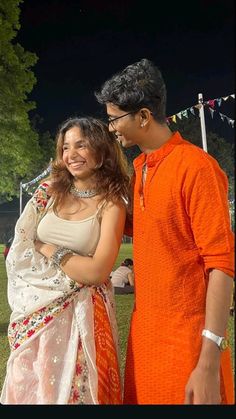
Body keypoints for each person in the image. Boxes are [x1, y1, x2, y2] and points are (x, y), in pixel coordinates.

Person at [95, 58, 235, 405]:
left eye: (115, 119)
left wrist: (208, 361)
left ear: (143, 116)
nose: (111, 127)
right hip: (144, 339)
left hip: (187, 344)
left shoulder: (197, 168)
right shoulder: (140, 168)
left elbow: (221, 266)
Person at [0, 116, 130, 405]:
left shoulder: (112, 203)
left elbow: (97, 272)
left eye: (80, 145)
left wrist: (47, 248)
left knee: (76, 393)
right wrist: (72, 265)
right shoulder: (48, 191)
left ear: (101, 151)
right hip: (36, 311)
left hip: (84, 313)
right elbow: (20, 247)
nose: (71, 155)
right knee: (30, 388)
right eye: (65, 147)